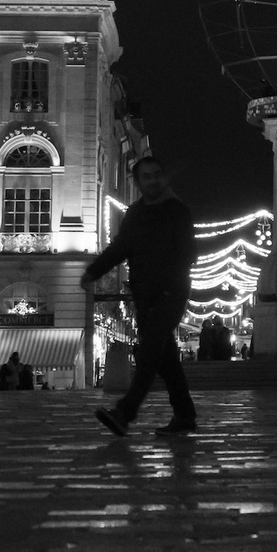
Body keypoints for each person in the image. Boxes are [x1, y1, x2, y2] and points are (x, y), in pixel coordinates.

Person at [80, 157, 198, 436]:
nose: (153, 180)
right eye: (147, 176)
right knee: (166, 360)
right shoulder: (135, 213)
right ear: (139, 182)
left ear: (163, 177)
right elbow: (120, 248)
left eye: (157, 174)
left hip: (170, 293)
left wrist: (170, 281)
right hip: (145, 296)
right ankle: (185, 416)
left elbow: (189, 253)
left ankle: (125, 413)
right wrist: (93, 272)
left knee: (148, 353)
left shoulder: (177, 210)